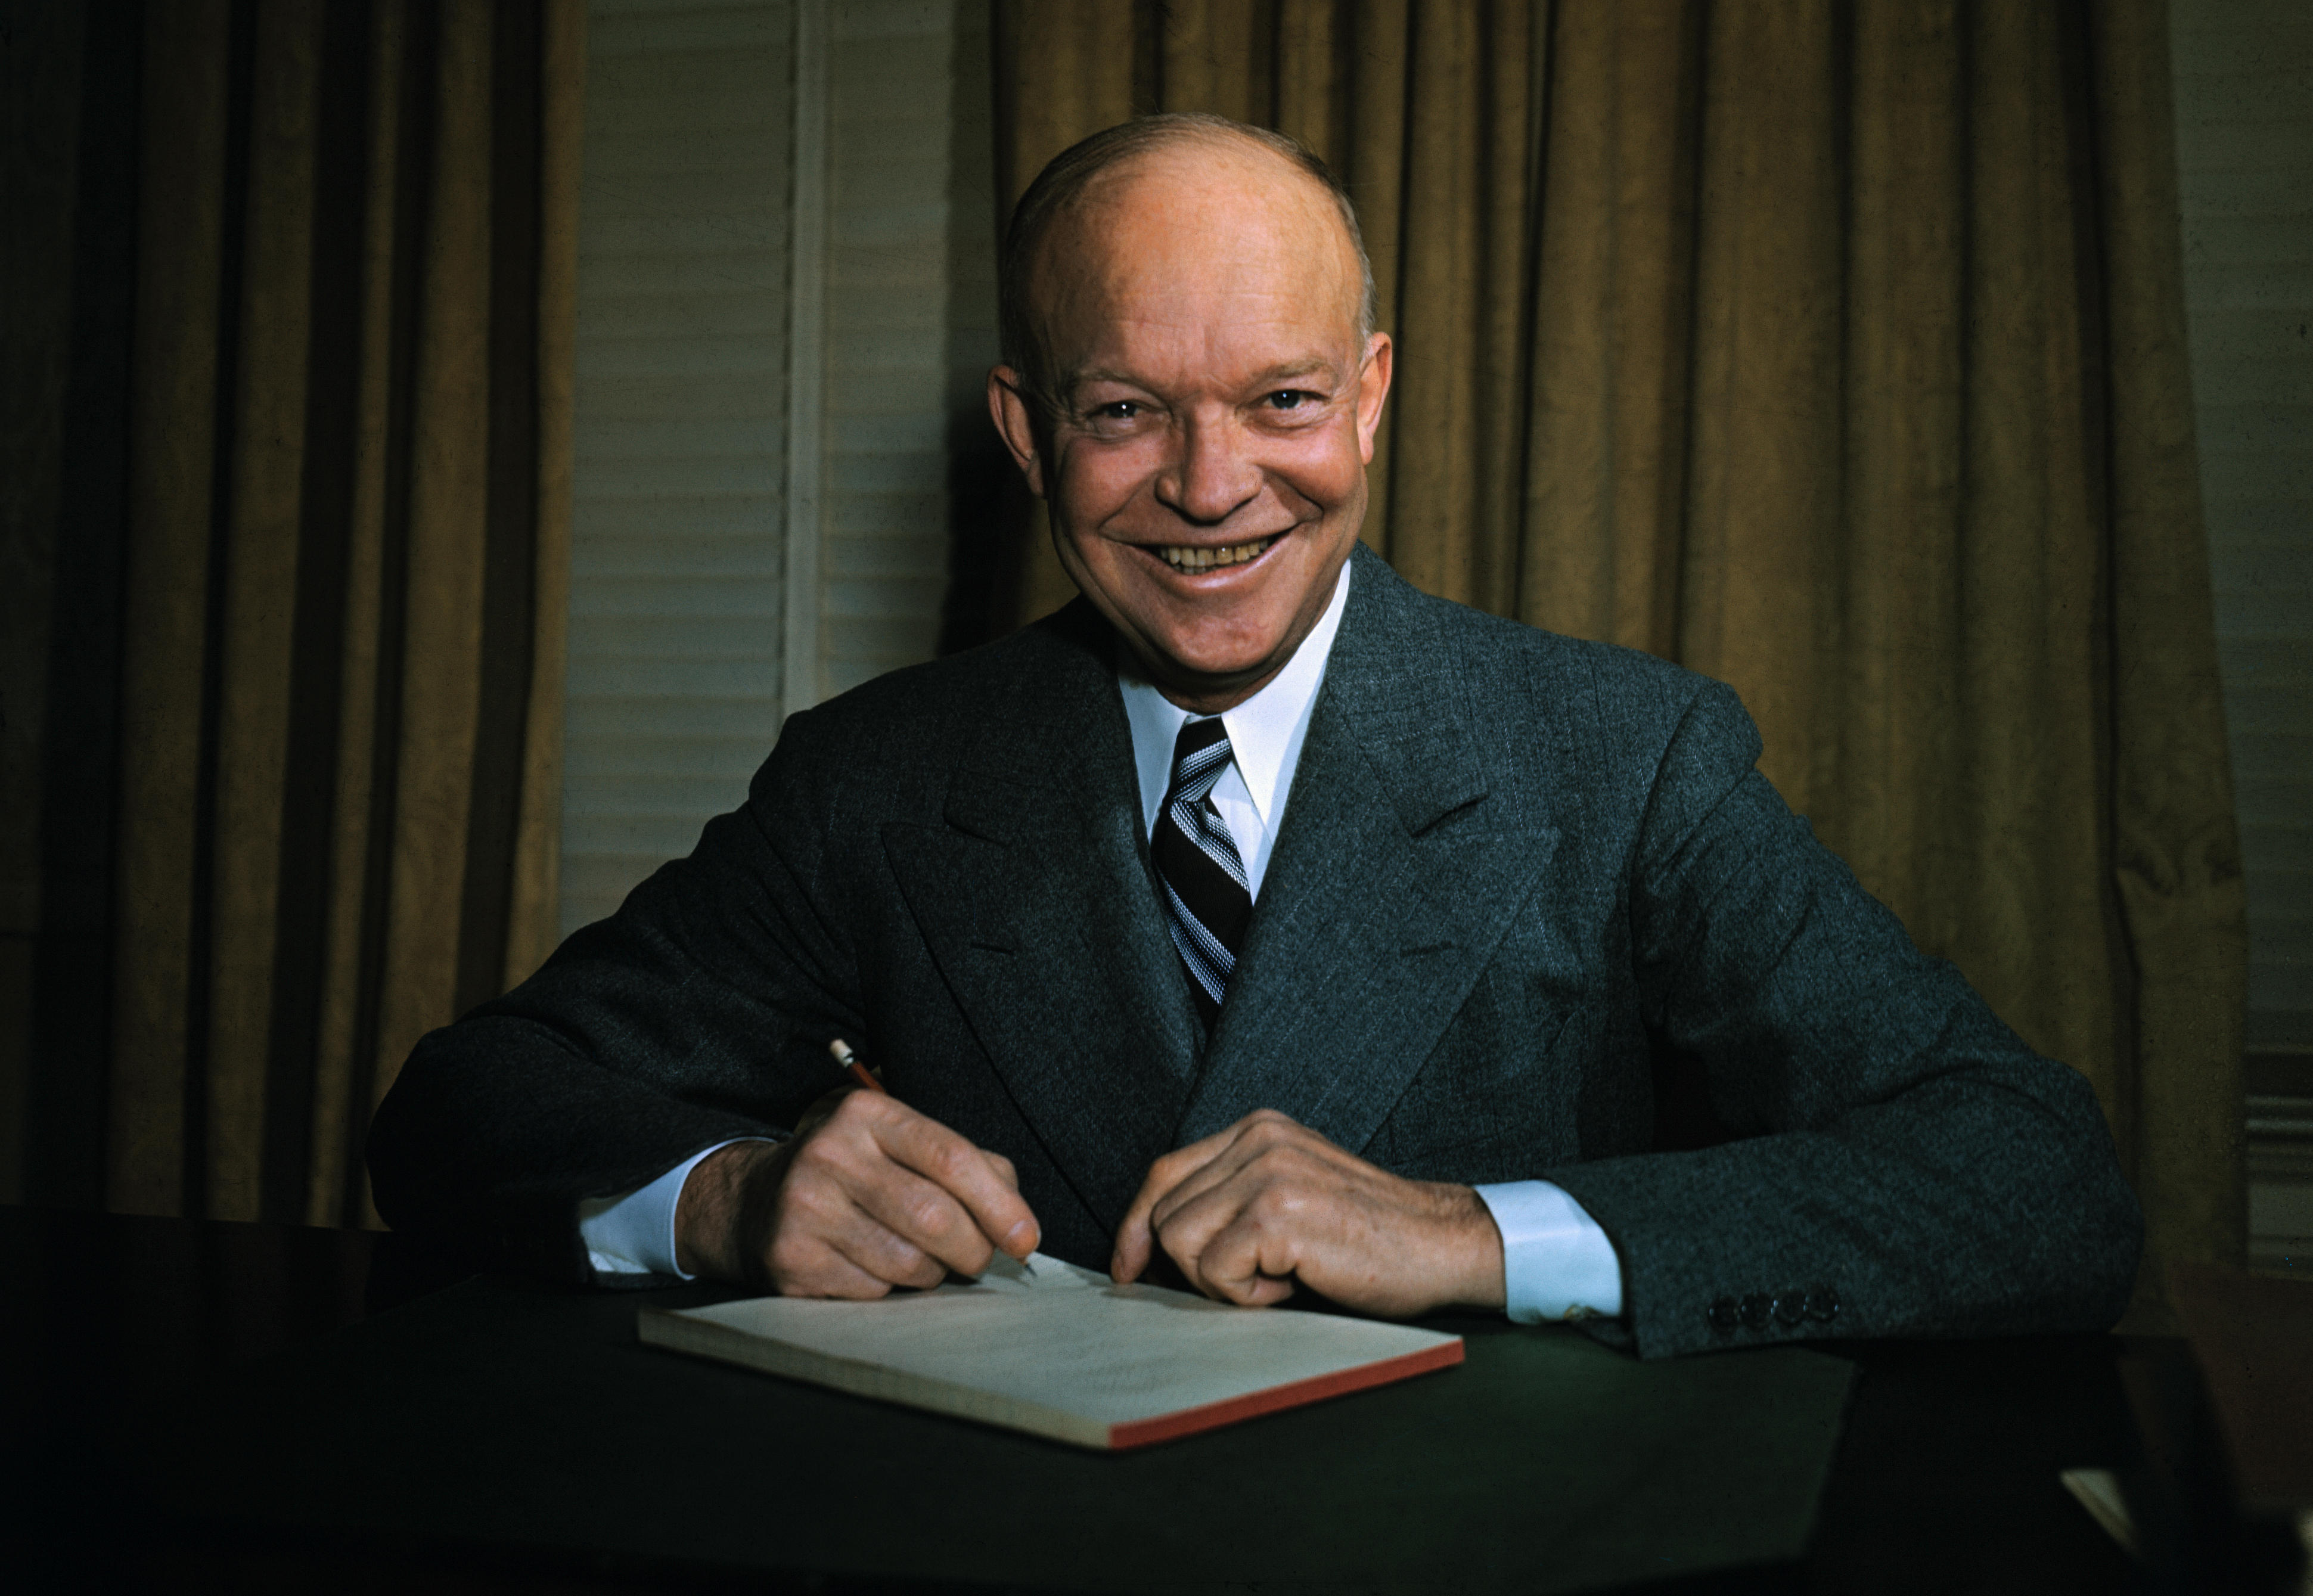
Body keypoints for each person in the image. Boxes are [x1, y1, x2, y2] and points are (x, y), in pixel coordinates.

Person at [368, 113, 2141, 1358]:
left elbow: (2033, 1180)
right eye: (1126, 411)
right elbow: (460, 1113)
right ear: (1023, 427)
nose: (1213, 492)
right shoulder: (877, 778)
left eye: (1282, 401)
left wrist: (1468, 1232)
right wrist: (732, 1197)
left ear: (1369, 391)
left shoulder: (1626, 755)